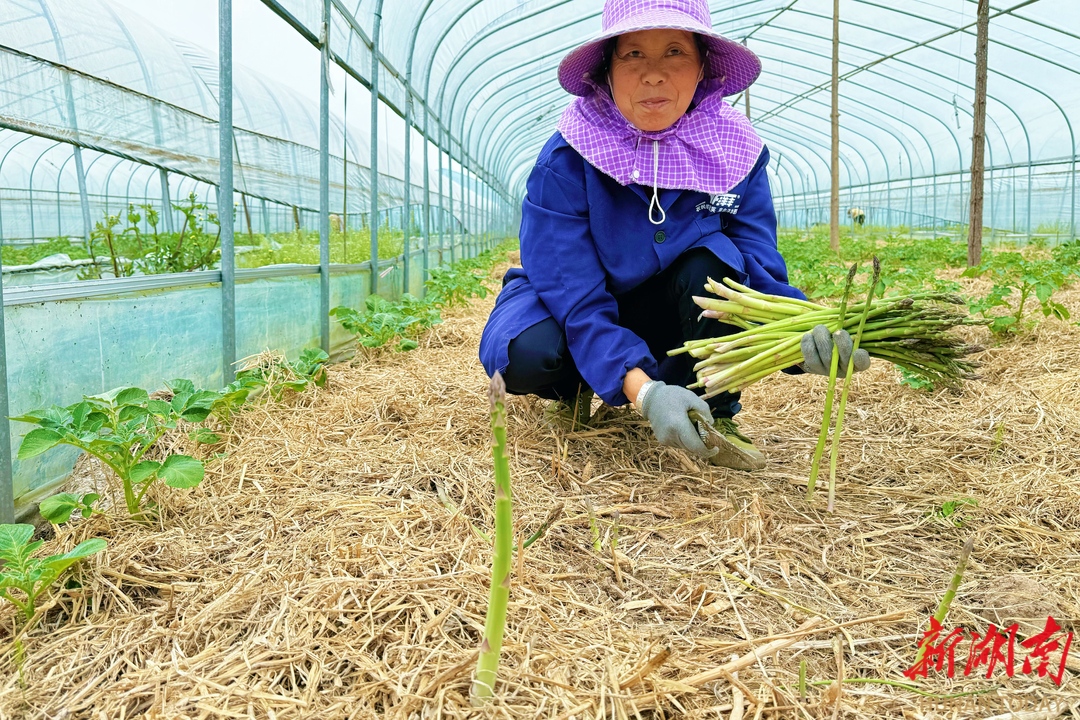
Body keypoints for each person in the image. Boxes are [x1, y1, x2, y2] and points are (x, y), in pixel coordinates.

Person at [479, 0, 869, 470]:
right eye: (633, 54)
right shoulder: (569, 155)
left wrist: (801, 333)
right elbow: (573, 293)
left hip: (666, 308)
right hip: (572, 305)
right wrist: (645, 394)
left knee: (714, 262)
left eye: (675, 51)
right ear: (606, 69)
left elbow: (756, 268)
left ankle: (714, 410)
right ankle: (574, 388)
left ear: (703, 66)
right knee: (529, 354)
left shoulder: (736, 151)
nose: (654, 74)